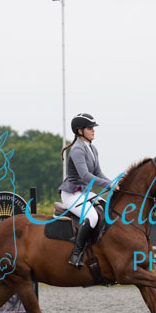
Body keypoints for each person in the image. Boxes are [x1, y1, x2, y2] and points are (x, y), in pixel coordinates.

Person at [58, 113, 117, 268]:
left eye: (93, 128)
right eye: (90, 128)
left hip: (84, 193)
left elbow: (98, 173)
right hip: (71, 194)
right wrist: (108, 185)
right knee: (92, 217)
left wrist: (113, 183)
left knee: (107, 209)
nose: (93, 130)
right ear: (80, 131)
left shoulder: (92, 148)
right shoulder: (77, 150)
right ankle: (76, 254)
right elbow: (85, 176)